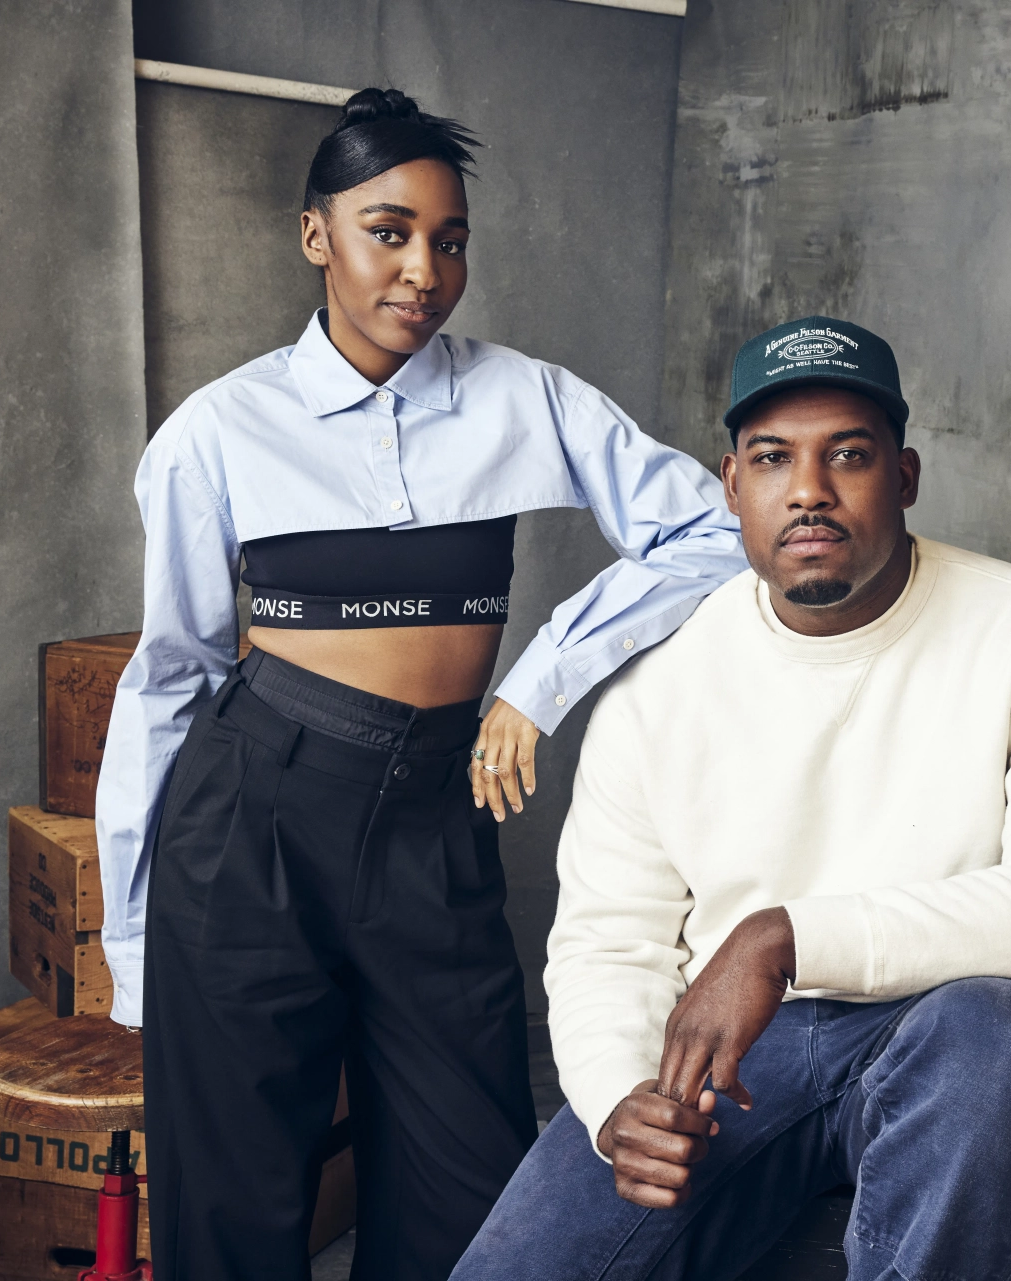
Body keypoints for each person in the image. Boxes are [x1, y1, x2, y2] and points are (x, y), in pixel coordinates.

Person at [93, 89, 747, 1280]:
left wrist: (539, 679)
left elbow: (711, 531)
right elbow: (172, 678)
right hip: (253, 824)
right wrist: (133, 940)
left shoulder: (525, 398)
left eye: (448, 240)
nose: (423, 270)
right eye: (387, 231)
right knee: (232, 1210)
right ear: (316, 237)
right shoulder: (219, 430)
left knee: (472, 1201)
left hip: (432, 826)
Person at [449, 315, 1011, 1281]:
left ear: (903, 478)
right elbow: (609, 941)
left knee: (1007, 1030)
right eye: (775, 458)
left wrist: (782, 937)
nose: (810, 491)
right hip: (738, 1059)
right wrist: (622, 1097)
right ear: (733, 484)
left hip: (951, 1038)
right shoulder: (660, 689)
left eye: (849, 456)